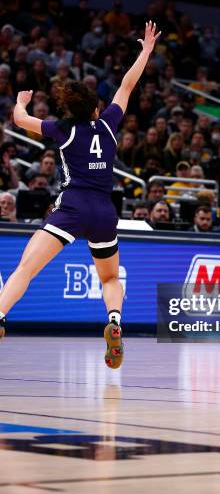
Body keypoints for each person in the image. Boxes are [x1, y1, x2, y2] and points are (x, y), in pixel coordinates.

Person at [0, 21, 161, 370]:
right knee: (109, 278)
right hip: (104, 211)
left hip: (71, 208)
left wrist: (21, 101)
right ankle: (115, 322)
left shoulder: (62, 129)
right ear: (95, 109)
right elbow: (127, 84)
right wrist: (146, 51)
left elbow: (19, 119)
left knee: (26, 269)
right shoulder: (109, 122)